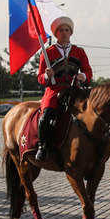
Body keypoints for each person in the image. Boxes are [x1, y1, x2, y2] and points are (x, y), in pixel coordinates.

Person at [33, 16, 92, 162]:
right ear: (56, 34)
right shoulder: (47, 53)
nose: (64, 32)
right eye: (61, 30)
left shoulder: (79, 52)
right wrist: (46, 76)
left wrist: (83, 76)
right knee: (47, 114)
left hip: (75, 89)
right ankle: (42, 146)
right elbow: (39, 77)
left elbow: (88, 71)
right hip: (54, 90)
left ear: (70, 33)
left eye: (66, 30)